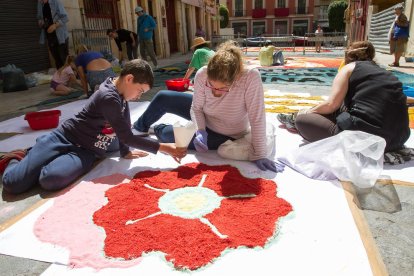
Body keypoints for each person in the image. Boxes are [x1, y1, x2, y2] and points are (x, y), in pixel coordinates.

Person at [0, 59, 187, 194]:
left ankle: (41, 160)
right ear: (129, 79)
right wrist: (163, 148)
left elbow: (125, 124)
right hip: (64, 138)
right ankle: (20, 157)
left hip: (86, 151)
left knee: (50, 180)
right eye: (140, 91)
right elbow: (126, 136)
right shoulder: (108, 95)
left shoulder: (121, 93)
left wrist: (125, 151)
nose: (139, 96)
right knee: (13, 184)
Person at [132, 41, 281, 172]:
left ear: (235, 79)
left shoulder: (250, 77)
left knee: (167, 136)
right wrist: (200, 130)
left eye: (222, 88)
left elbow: (257, 118)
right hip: (205, 116)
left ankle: (157, 128)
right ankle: (139, 127)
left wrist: (259, 154)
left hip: (226, 132)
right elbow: (196, 107)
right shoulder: (202, 74)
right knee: (163, 97)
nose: (216, 92)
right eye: (211, 86)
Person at [294, 41, 410, 152]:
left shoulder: (349, 68)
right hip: (399, 139)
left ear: (348, 56)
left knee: (301, 120)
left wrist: (307, 112)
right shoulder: (385, 73)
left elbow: (332, 105)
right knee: (343, 106)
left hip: (368, 141)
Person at [37, 0, 69, 69]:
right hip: (50, 37)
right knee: (57, 61)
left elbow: (65, 17)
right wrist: (40, 22)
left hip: (60, 37)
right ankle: (61, 78)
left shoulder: (56, 2)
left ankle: (70, 78)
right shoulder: (40, 4)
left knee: (64, 61)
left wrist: (55, 26)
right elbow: (39, 18)